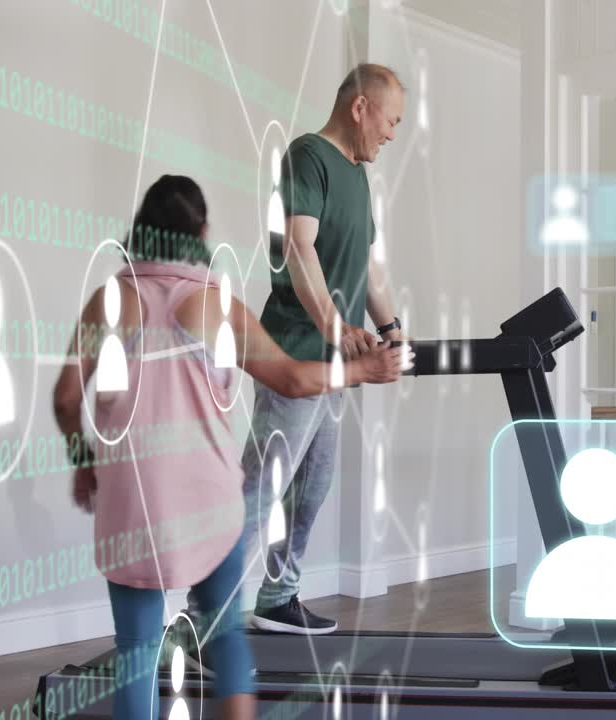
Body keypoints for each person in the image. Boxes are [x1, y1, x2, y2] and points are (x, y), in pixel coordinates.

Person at [52, 175, 406, 720]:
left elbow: (65, 396)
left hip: (132, 508)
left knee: (138, 658)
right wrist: (363, 367)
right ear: (201, 231)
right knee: (226, 639)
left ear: (142, 232)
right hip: (209, 505)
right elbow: (289, 378)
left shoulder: (110, 301)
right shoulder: (216, 304)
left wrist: (83, 462)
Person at [238, 63, 407, 635]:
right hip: (293, 352)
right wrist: (337, 328)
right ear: (360, 107)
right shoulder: (307, 157)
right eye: (390, 120)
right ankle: (201, 613)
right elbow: (298, 246)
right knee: (261, 487)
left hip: (336, 360)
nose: (391, 133)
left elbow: (368, 268)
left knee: (312, 483)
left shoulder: (358, 175)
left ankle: (278, 595)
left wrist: (393, 328)